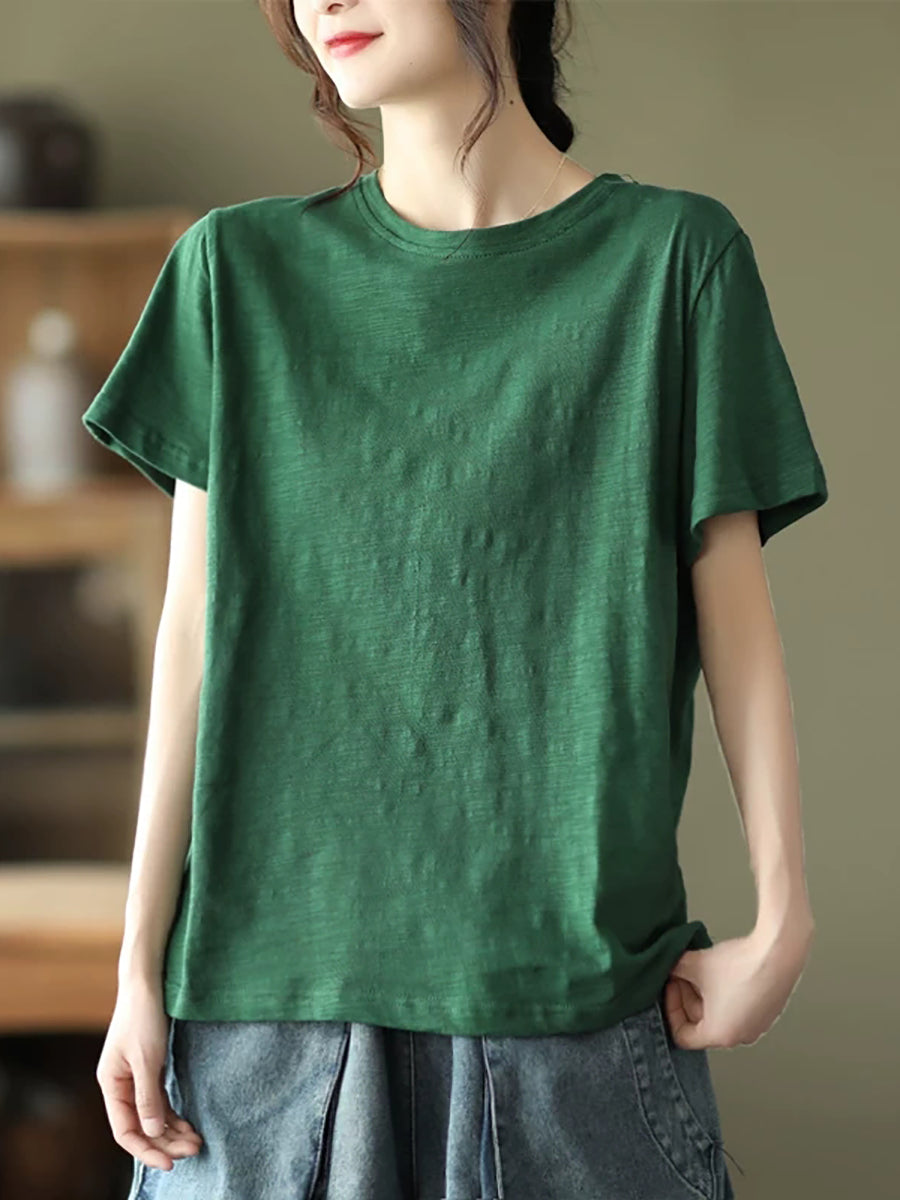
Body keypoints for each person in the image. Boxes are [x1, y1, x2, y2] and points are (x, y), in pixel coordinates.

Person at [87, 1, 829, 1197]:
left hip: (571, 1023)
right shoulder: (235, 272)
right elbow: (191, 647)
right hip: (260, 1026)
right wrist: (135, 969)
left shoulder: (673, 261)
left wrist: (783, 916)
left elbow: (736, 622)